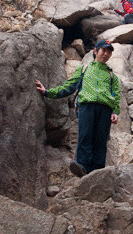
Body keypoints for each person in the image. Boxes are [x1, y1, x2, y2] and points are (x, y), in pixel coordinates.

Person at [35, 40, 121, 177]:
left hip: (105, 110)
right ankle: (82, 168)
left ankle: (97, 172)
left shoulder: (112, 76)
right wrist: (47, 92)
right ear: (95, 51)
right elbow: (68, 87)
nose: (106, 54)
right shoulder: (84, 69)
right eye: (103, 50)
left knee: (100, 140)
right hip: (87, 106)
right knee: (85, 137)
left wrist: (115, 111)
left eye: (109, 52)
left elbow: (116, 95)